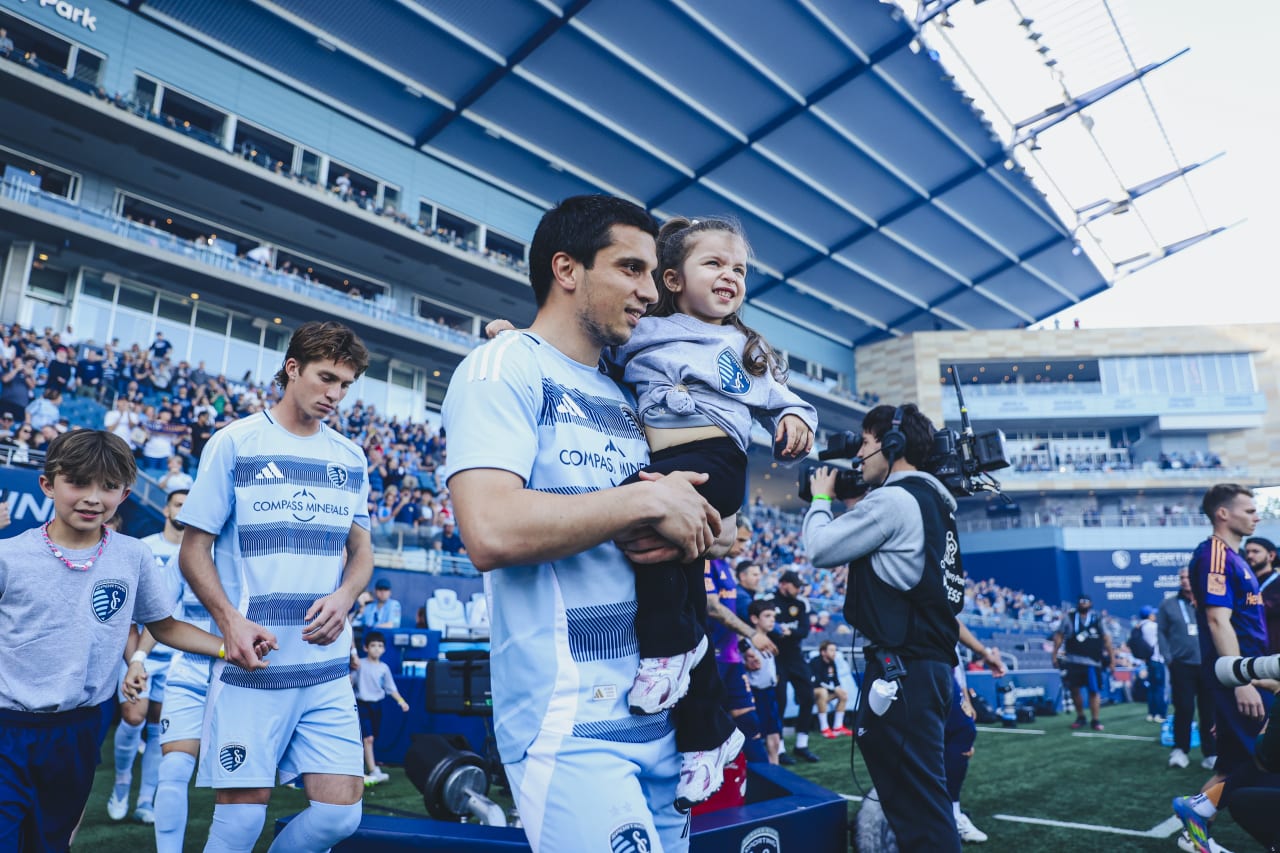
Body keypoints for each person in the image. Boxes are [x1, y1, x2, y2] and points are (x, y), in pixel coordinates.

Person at [443, 195, 723, 851]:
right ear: (566, 269)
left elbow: (714, 525)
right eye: (631, 268)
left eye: (653, 273)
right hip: (570, 726)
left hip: (662, 721)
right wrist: (642, 502)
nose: (649, 293)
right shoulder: (504, 366)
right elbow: (489, 529)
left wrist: (689, 518)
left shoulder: (633, 393)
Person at [178, 320, 373, 853]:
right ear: (292, 368)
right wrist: (229, 622)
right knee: (241, 825)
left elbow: (362, 552)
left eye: (346, 385)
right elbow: (193, 550)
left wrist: (345, 595)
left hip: (326, 666)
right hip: (253, 666)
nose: (334, 394)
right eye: (326, 378)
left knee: (339, 818)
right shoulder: (234, 443)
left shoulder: (351, 458)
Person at [0, 430, 244, 852]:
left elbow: (163, 625)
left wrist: (228, 646)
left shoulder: (133, 557)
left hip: (79, 728)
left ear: (125, 493)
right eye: (78, 482)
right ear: (47, 484)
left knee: (49, 843)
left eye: (109, 486)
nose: (93, 498)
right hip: (7, 725)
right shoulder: (9, 557)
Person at [804, 403, 967, 853]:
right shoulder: (934, 503)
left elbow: (819, 548)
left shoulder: (895, 500)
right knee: (919, 799)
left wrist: (821, 498)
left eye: (866, 443)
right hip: (926, 667)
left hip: (904, 670)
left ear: (892, 445)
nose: (858, 455)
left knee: (920, 810)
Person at [108, 488, 190, 824]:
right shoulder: (145, 547)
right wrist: (135, 655)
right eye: (178, 504)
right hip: (139, 647)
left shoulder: (198, 553)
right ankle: (122, 783)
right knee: (132, 717)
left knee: (159, 726)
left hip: (178, 653)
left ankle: (146, 798)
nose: (183, 510)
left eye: (189, 505)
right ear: (167, 509)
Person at [705, 522, 776, 764]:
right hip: (710, 661)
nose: (744, 547)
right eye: (741, 540)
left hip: (732, 658)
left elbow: (729, 612)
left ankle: (764, 782)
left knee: (749, 722)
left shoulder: (725, 565)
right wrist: (752, 635)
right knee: (711, 729)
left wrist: (744, 649)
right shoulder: (706, 561)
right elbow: (712, 607)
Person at [1159, 566, 1218, 771]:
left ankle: (1210, 753)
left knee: (1208, 711)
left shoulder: (1208, 601)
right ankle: (1180, 750)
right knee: (1184, 709)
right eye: (1181, 577)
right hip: (1181, 665)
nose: (1184, 580)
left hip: (1207, 664)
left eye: (1188, 577)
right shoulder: (1169, 605)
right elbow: (1162, 633)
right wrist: (1169, 658)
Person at [767, 569, 820, 765]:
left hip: (795, 656)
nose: (798, 589)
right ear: (783, 584)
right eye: (795, 585)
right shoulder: (770, 600)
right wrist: (786, 631)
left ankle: (801, 744)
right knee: (779, 701)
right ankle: (779, 749)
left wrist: (787, 631)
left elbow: (804, 631)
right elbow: (768, 630)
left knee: (808, 696)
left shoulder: (801, 603)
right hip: (775, 656)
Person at [352, 631, 410, 785]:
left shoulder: (384, 668)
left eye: (380, 646)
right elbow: (351, 682)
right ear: (365, 648)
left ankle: (364, 768)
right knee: (368, 738)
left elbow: (391, 688)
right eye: (373, 646)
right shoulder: (360, 665)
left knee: (372, 738)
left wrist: (401, 702)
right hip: (362, 704)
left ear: (384, 649)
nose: (376, 649)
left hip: (377, 706)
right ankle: (372, 770)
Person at [1051, 595, 1115, 731]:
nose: (1084, 604)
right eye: (1081, 602)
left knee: (1094, 691)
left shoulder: (1097, 619)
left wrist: (1112, 660)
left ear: (1091, 604)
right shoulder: (1069, 617)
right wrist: (1054, 655)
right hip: (1073, 661)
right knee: (1074, 690)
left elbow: (1107, 639)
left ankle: (1095, 720)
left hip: (1093, 662)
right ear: (1078, 603)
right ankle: (1080, 716)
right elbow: (1059, 637)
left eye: (1086, 602)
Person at [744, 600, 783, 764]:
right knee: (755, 739)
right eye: (767, 616)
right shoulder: (745, 643)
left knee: (774, 738)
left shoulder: (771, 639)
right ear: (754, 619)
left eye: (773, 616)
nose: (772, 620)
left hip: (769, 693)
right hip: (753, 694)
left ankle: (776, 775)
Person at [1243, 536, 1280, 654]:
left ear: (1271, 556)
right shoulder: (1245, 584)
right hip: (1251, 651)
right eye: (1247, 552)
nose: (1249, 556)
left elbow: (1261, 610)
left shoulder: (1277, 583)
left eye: (1255, 551)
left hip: (1274, 653)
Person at [810, 640, 850, 738]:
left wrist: (838, 689)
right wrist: (834, 689)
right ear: (823, 652)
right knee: (823, 692)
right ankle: (824, 728)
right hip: (810, 693)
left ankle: (838, 727)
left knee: (843, 694)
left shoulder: (832, 663)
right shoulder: (815, 662)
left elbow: (836, 681)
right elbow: (816, 681)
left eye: (835, 650)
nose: (834, 653)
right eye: (831, 650)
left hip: (825, 692)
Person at [1138, 605, 1167, 723]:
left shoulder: (1140, 626)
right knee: (1159, 688)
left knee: (1152, 688)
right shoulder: (1152, 626)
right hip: (1157, 659)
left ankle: (1151, 713)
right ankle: (1160, 714)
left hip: (1148, 660)